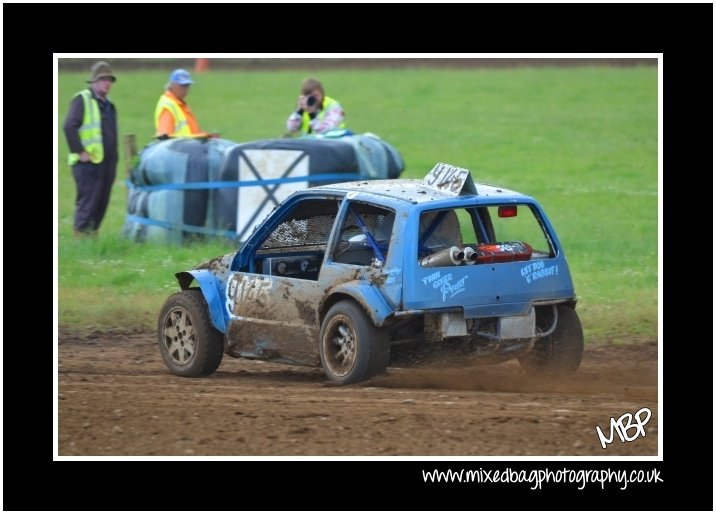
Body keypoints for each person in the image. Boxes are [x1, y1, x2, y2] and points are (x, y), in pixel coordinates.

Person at [63, 61, 118, 237]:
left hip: (107, 163)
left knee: (101, 201)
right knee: (88, 201)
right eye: (103, 79)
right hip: (87, 163)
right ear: (93, 81)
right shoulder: (82, 99)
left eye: (109, 79)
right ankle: (79, 236)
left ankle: (92, 235)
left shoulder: (109, 105)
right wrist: (80, 151)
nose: (107, 82)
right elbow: (69, 126)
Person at [154, 68, 214, 139]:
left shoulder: (180, 104)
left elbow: (192, 132)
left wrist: (206, 136)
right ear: (172, 85)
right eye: (182, 86)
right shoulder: (168, 107)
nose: (185, 90)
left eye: (187, 86)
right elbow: (165, 138)